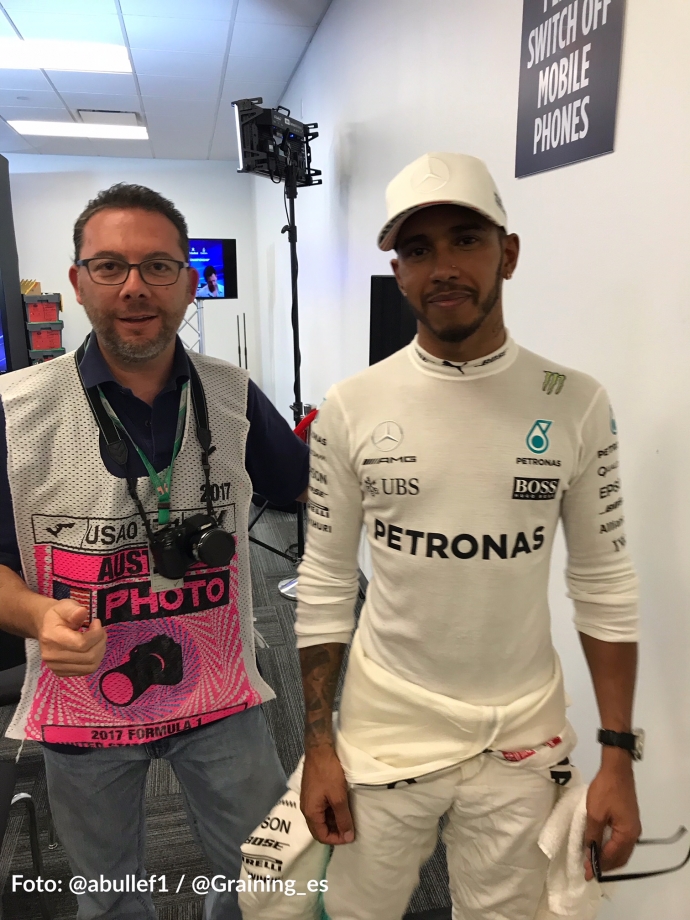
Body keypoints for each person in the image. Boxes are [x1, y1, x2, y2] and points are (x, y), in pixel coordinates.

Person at [296, 153, 642, 920]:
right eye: (418, 250)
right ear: (398, 269)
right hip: (385, 730)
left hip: (522, 734)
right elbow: (322, 586)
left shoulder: (577, 404)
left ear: (507, 254)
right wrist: (318, 747)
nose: (442, 267)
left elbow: (605, 587)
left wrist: (618, 752)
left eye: (465, 240)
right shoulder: (352, 405)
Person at [0, 183, 308, 920]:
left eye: (159, 266)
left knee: (265, 884)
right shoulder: (15, 412)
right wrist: (38, 614)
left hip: (220, 688)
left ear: (189, 281)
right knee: (109, 899)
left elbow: (302, 488)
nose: (135, 286)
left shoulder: (233, 395)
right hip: (84, 703)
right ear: (77, 282)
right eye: (109, 266)